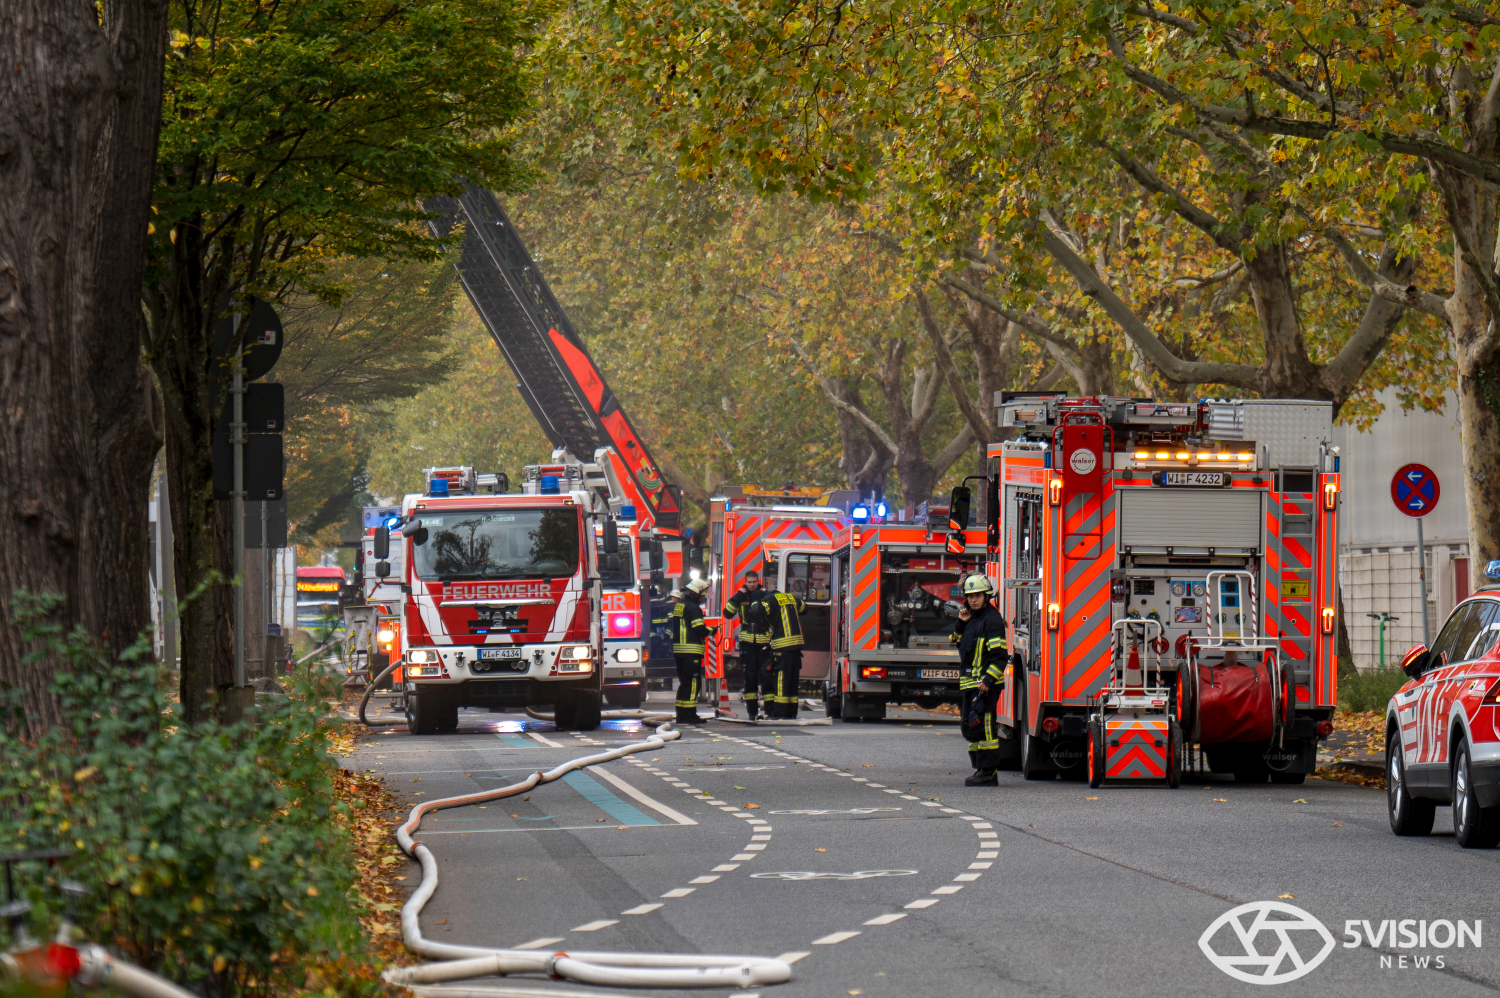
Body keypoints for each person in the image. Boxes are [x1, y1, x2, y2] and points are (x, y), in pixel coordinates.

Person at [951, 574, 1009, 786]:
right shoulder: (972, 618)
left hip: (984, 685)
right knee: (971, 726)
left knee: (985, 726)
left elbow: (999, 656)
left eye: (977, 595)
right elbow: (958, 643)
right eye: (970, 596)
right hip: (970, 684)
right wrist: (960, 622)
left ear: (986, 596)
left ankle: (988, 772)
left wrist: (987, 681)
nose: (973, 600)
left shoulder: (992, 621)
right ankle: (979, 768)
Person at [724, 569, 774, 720]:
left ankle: (769, 711)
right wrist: (737, 596)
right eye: (749, 582)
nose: (752, 585)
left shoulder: (765, 595)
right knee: (749, 677)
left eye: (754, 582)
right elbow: (727, 613)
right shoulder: (741, 596)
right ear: (745, 582)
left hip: (764, 641)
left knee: (767, 677)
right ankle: (752, 712)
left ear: (758, 581)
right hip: (747, 642)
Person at [669, 579, 715, 724]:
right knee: (694, 683)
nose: (703, 598)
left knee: (684, 683)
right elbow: (699, 629)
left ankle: (681, 714)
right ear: (696, 593)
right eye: (702, 595)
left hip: (679, 651)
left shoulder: (680, 605)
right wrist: (711, 630)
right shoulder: (694, 608)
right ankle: (690, 715)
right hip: (691, 651)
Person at [764, 587, 807, 719]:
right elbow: (804, 608)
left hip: (782, 647)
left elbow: (759, 609)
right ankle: (791, 712)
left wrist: (756, 603)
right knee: (793, 682)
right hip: (796, 647)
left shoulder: (770, 599)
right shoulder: (791, 598)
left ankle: (779, 713)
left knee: (782, 681)